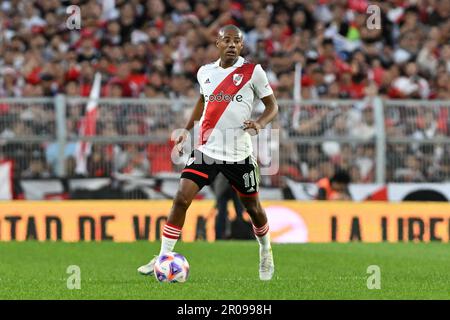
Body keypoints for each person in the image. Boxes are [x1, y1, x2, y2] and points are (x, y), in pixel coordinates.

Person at [138, 25, 278, 280]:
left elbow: (272, 106)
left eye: (237, 41)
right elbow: (203, 101)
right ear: (218, 44)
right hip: (207, 150)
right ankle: (163, 256)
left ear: (242, 46)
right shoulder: (206, 72)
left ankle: (265, 250)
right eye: (228, 40)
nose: (233, 45)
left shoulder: (252, 72)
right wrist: (186, 128)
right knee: (181, 198)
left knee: (253, 208)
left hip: (239, 153)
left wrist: (260, 123)